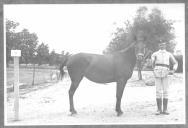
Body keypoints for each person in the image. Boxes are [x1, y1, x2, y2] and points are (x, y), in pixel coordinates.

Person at [151, 41, 178, 115]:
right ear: (158, 45)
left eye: (163, 44)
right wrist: (152, 62)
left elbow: (175, 63)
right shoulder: (155, 54)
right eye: (160, 44)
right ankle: (159, 110)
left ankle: (165, 109)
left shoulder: (169, 54)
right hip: (157, 72)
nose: (162, 46)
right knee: (158, 91)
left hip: (166, 72)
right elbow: (152, 62)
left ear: (165, 45)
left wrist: (174, 70)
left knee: (166, 91)